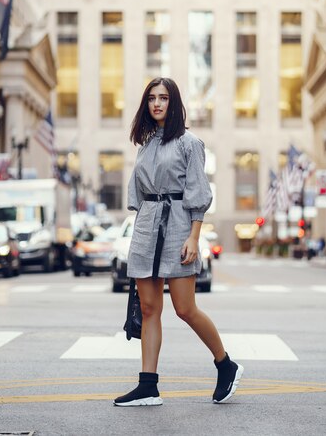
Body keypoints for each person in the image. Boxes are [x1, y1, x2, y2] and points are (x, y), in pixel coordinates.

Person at [113, 78, 243, 407]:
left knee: (185, 309)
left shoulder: (189, 142)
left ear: (174, 104)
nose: (157, 103)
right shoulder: (145, 144)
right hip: (146, 225)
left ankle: (225, 364)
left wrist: (194, 236)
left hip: (179, 226)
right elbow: (138, 195)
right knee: (148, 308)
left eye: (164, 98)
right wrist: (141, 228)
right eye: (152, 98)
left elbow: (198, 193)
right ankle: (148, 385)